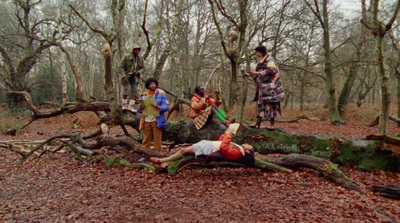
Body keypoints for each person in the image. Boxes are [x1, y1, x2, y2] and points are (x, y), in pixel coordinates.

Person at [149, 126, 254, 168]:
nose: (247, 144)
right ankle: (166, 163)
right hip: (209, 145)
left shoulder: (238, 153)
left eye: (249, 146)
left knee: (184, 150)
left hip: (209, 149)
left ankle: (161, 160)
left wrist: (229, 135)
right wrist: (226, 133)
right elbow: (222, 142)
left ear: (248, 151)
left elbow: (224, 148)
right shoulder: (239, 148)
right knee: (185, 151)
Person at [245, 45, 284, 128]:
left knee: (271, 105)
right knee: (261, 104)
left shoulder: (270, 60)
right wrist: (250, 75)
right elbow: (259, 72)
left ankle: (272, 125)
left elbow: (270, 71)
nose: (256, 54)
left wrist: (257, 73)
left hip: (271, 87)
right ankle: (258, 123)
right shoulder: (261, 61)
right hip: (263, 87)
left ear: (260, 52)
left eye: (257, 52)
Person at [138, 78, 169, 152]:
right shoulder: (144, 95)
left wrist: (159, 107)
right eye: (151, 84)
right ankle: (145, 153)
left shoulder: (161, 95)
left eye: (154, 84)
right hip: (146, 119)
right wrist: (141, 108)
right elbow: (138, 110)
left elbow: (166, 107)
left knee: (157, 138)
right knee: (146, 138)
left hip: (157, 119)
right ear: (148, 86)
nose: (153, 85)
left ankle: (157, 154)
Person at [118, 43, 145, 112]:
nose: (137, 51)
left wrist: (138, 72)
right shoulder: (126, 57)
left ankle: (131, 106)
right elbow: (120, 67)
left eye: (138, 50)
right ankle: (124, 105)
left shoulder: (140, 59)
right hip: (127, 75)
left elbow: (143, 68)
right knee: (126, 90)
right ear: (132, 50)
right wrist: (123, 76)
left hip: (134, 77)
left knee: (135, 91)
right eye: (135, 50)